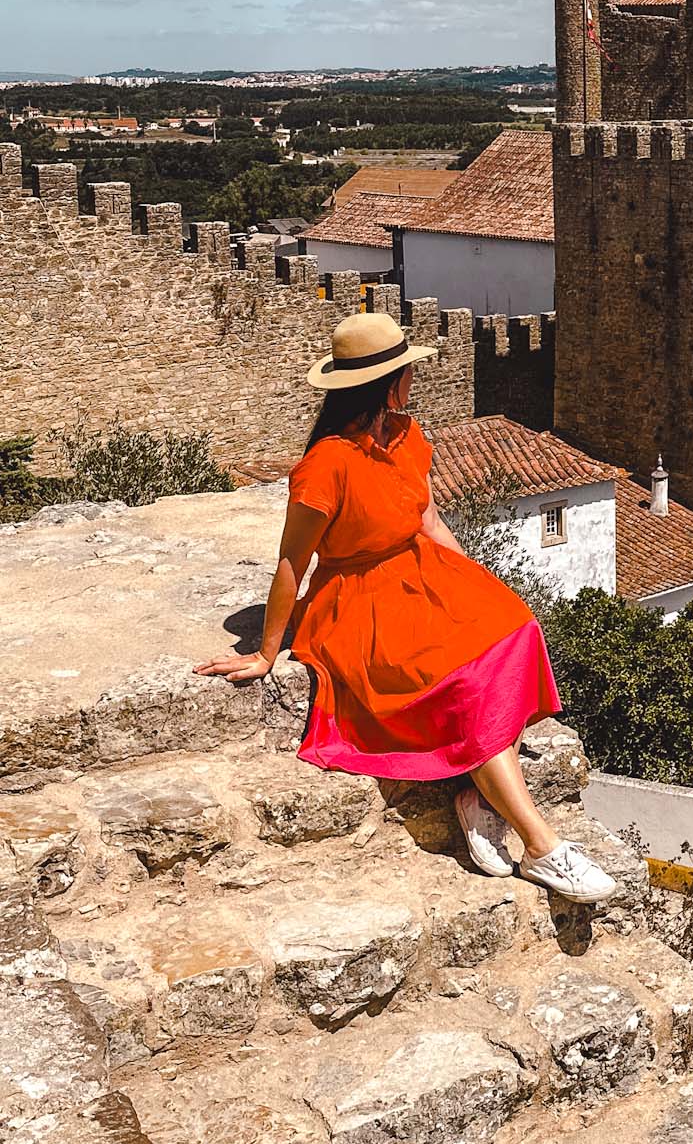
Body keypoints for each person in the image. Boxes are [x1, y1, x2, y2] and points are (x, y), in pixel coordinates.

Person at [197, 312, 617, 903]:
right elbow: (292, 562)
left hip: (416, 571)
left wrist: (469, 583)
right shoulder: (324, 466)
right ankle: (543, 847)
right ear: (387, 383)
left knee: (513, 628)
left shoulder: (407, 435)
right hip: (356, 599)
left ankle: (478, 792)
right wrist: (267, 652)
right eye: (407, 370)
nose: (414, 378)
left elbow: (426, 517)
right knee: (459, 676)